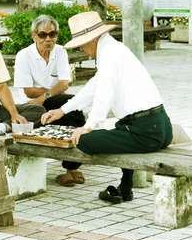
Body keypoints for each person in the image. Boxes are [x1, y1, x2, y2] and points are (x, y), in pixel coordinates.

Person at [41, 11, 173, 204]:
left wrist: (88, 127)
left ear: (92, 40)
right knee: (120, 130)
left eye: (82, 45)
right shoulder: (113, 49)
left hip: (146, 132)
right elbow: (93, 87)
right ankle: (125, 187)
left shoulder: (110, 54)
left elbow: (104, 95)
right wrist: (63, 110)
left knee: (85, 141)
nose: (84, 50)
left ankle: (125, 187)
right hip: (161, 127)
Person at [13, 15, 87, 187]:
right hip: (29, 105)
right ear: (34, 35)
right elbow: (28, 91)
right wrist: (52, 90)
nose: (48, 39)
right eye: (43, 35)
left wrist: (45, 95)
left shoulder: (60, 51)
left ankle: (71, 168)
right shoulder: (24, 55)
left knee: (73, 107)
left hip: (50, 101)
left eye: (52, 34)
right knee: (70, 104)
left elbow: (65, 83)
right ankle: (71, 167)